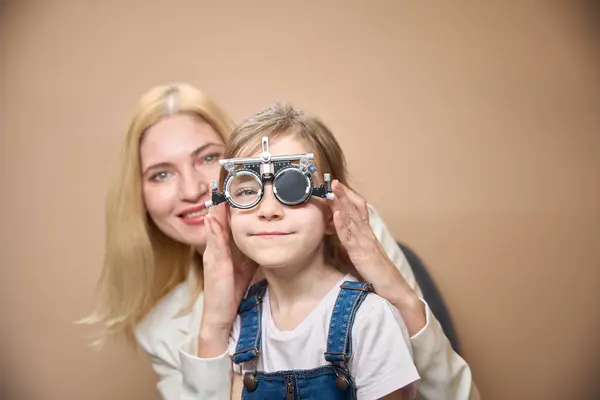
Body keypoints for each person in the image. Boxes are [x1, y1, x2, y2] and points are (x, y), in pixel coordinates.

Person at [81, 83, 480, 400]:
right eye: (161, 174)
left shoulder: (353, 234)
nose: (192, 188)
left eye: (207, 159)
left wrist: (401, 296)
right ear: (140, 198)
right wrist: (215, 325)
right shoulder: (165, 328)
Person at [204, 103, 421, 399]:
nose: (267, 209)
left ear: (333, 214)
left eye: (294, 187)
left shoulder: (369, 319)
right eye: (246, 190)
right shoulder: (239, 324)